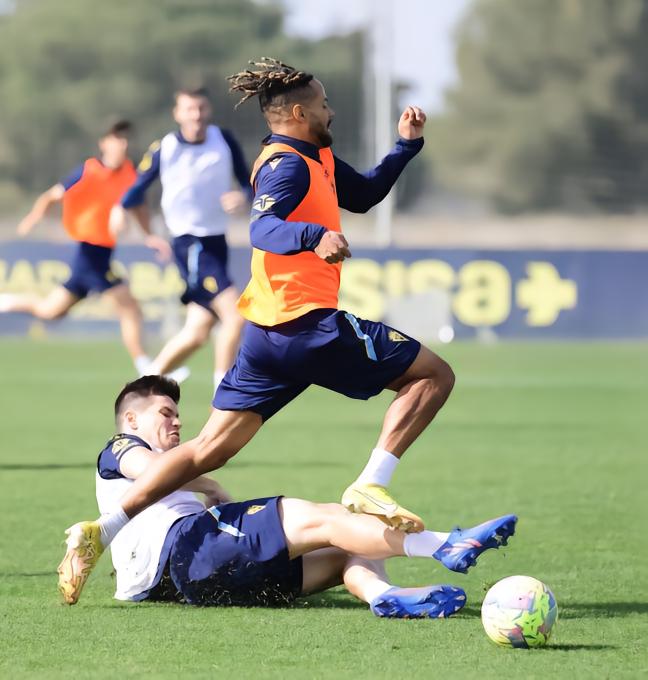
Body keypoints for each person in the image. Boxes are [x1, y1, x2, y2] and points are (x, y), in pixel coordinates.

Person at [58, 59, 517, 604]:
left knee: (207, 450)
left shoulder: (317, 157)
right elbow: (263, 228)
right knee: (434, 376)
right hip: (305, 325)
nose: (331, 110)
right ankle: (372, 482)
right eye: (323, 104)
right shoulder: (285, 165)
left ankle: (104, 528)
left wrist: (405, 147)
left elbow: (365, 195)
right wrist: (314, 236)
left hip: (265, 336)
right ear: (299, 112)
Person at [58, 375, 516, 616]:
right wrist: (210, 484)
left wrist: (208, 486)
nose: (176, 422)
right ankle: (443, 545)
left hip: (196, 583)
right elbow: (152, 471)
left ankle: (384, 596)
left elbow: (166, 477)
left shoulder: (159, 468)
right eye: (165, 413)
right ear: (132, 420)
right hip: (187, 548)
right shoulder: (119, 447)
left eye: (177, 414)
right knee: (328, 515)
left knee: (346, 547)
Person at [0, 121, 169, 374]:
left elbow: (138, 207)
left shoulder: (129, 174)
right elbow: (52, 195)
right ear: (104, 144)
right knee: (129, 307)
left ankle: (4, 301)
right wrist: (34, 216)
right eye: (116, 139)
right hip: (91, 254)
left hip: (98, 255)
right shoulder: (88, 170)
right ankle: (147, 367)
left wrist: (150, 236)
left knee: (50, 311)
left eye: (125, 140)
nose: (122, 144)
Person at [110, 87, 251, 389]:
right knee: (235, 317)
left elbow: (249, 183)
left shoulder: (223, 140)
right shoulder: (166, 147)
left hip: (216, 242)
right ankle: (224, 395)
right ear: (177, 114)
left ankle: (142, 385)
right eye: (189, 109)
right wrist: (120, 209)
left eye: (201, 108)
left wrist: (243, 196)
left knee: (198, 331)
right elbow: (136, 189)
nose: (196, 115)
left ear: (208, 110)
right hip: (191, 244)